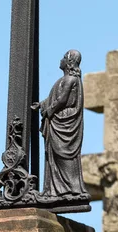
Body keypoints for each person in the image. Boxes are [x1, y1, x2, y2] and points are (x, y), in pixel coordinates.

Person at [32, 49, 89, 201]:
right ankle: (55, 190)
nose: (61, 60)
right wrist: (42, 104)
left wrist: (48, 111)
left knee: (64, 156)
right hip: (57, 120)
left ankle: (73, 189)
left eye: (64, 57)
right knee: (55, 157)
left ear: (69, 62)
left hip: (64, 123)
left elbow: (62, 100)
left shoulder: (71, 80)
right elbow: (54, 98)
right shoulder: (63, 80)